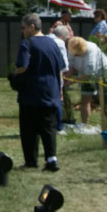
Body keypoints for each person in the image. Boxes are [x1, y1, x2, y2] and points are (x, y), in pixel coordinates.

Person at [15, 13, 65, 171]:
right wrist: (60, 89)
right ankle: (51, 159)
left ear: (31, 27)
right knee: (48, 127)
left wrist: (16, 74)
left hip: (31, 92)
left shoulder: (27, 43)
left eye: (23, 28)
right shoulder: (53, 44)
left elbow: (22, 66)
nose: (22, 31)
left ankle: (31, 161)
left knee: (29, 129)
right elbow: (61, 67)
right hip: (51, 91)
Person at [65, 36, 107, 125]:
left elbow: (90, 72)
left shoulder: (92, 49)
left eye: (78, 55)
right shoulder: (71, 47)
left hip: (102, 73)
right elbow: (70, 67)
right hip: (84, 74)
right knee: (85, 98)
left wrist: (72, 81)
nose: (76, 56)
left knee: (105, 99)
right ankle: (84, 125)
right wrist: (66, 80)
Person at [50, 25, 71, 133]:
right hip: (55, 75)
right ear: (62, 36)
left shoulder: (44, 38)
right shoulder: (60, 43)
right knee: (58, 100)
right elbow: (64, 65)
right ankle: (59, 126)